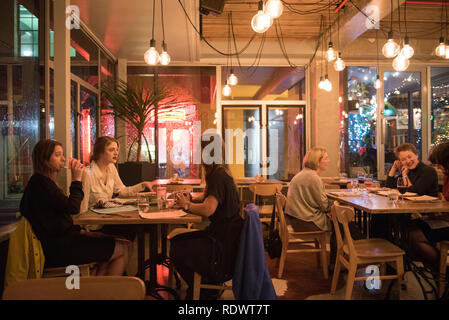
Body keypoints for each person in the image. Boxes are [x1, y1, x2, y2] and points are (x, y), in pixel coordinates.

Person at [20, 139, 129, 275]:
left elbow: (61, 215)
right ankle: (103, 292)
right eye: (58, 155)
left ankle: (98, 290)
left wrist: (82, 232)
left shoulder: (43, 182)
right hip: (58, 249)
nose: (63, 158)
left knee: (113, 243)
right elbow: (73, 208)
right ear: (45, 160)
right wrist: (77, 179)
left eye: (62, 154)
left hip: (62, 241)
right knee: (121, 248)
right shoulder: (41, 184)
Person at [170, 135, 244, 300]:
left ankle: (205, 289)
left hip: (220, 245)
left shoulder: (218, 176)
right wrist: (191, 198)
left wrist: (186, 205)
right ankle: (205, 286)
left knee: (176, 247)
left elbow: (209, 209)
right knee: (180, 241)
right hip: (226, 239)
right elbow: (209, 198)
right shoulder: (222, 173)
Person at [284, 147, 363, 267]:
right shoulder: (314, 178)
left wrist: (332, 209)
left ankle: (342, 259)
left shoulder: (303, 174)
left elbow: (318, 204)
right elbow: (324, 205)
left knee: (341, 221)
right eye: (326, 158)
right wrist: (336, 206)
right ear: (317, 161)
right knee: (342, 223)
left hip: (296, 218)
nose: (329, 161)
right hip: (305, 221)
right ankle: (352, 255)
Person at [80, 136, 154, 240]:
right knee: (129, 230)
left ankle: (123, 254)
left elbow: (122, 191)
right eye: (111, 150)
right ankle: (120, 253)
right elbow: (82, 207)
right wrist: (82, 229)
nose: (116, 153)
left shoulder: (111, 168)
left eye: (117, 150)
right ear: (100, 152)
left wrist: (143, 185)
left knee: (132, 229)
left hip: (108, 220)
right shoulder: (87, 173)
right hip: (94, 225)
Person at [406, 141, 449, 273]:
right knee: (409, 227)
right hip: (445, 219)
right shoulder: (447, 176)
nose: (438, 167)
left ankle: (441, 271)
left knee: (414, 235)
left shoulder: (428, 172)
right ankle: (439, 269)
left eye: (440, 163)